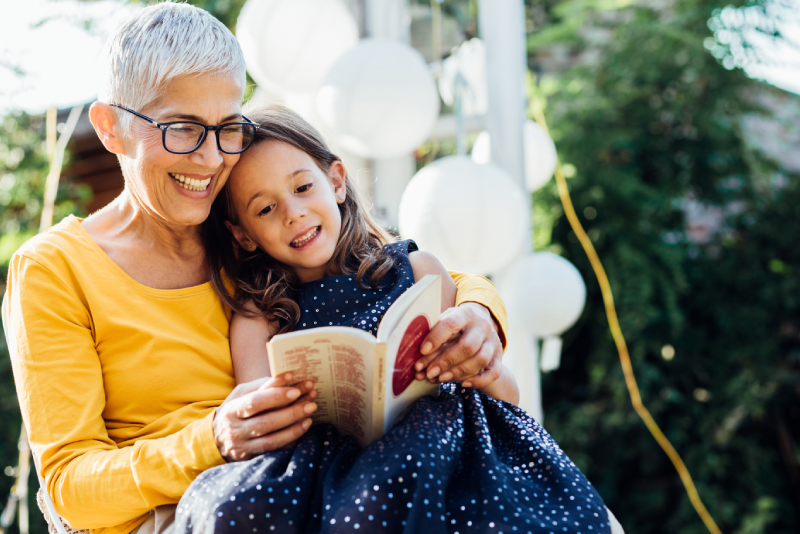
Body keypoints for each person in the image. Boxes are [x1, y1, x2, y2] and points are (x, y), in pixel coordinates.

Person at [5, 4, 510, 533]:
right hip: (187, 514)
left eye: (228, 127)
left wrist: (478, 310)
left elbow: (392, 265)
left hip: (310, 488)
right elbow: (69, 489)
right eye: (182, 128)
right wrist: (212, 439)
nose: (209, 159)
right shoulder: (53, 268)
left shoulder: (253, 224)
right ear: (111, 127)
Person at [171, 106, 613, 534]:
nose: (293, 213)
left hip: (435, 447)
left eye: (303, 188)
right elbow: (261, 429)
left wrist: (481, 365)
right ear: (243, 235)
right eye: (265, 209)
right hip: (325, 466)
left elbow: (506, 399)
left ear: (336, 181)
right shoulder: (258, 317)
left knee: (405, 471)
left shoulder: (418, 271)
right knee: (231, 509)